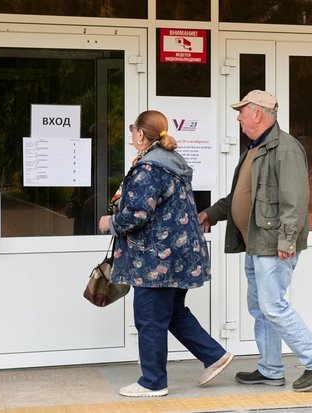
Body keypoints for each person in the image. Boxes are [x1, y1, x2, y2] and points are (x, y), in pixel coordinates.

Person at [198, 90, 312, 392]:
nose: (238, 118)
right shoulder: (255, 148)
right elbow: (240, 197)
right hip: (256, 243)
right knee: (260, 308)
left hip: (274, 244)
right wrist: (212, 213)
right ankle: (271, 369)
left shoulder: (285, 148)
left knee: (273, 306)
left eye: (242, 112)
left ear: (258, 113)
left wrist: (287, 241)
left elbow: (295, 201)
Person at [98, 110, 233, 398]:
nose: (131, 136)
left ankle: (153, 381)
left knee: (149, 319)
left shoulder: (149, 168)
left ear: (139, 134)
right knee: (172, 313)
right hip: (180, 255)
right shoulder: (172, 162)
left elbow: (137, 213)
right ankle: (214, 355)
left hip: (155, 260)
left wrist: (110, 222)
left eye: (133, 131)